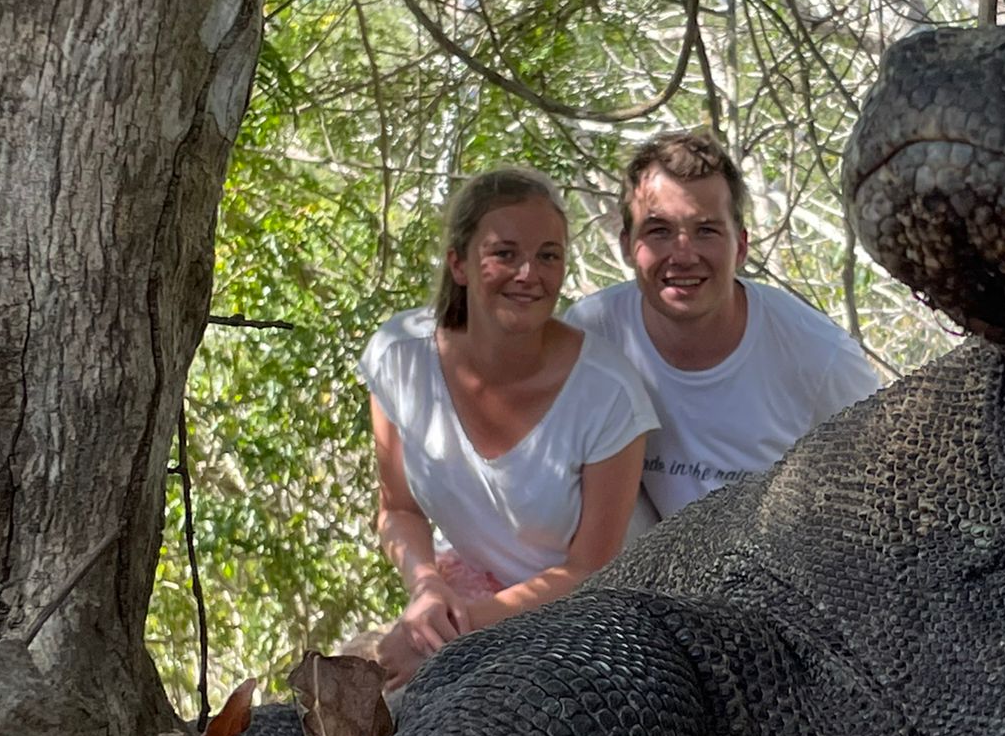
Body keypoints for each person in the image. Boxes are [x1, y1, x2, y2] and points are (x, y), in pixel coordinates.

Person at [355, 166, 659, 687]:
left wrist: (456, 631)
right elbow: (397, 508)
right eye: (504, 253)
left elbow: (591, 568)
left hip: (602, 618)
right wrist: (426, 588)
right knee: (345, 698)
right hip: (469, 592)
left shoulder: (609, 393)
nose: (528, 273)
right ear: (460, 264)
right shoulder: (400, 357)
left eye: (548, 255)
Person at [565, 130, 881, 520]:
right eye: (659, 231)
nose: (683, 255)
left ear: (741, 246)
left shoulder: (819, 356)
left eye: (706, 231)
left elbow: (884, 482)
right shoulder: (592, 333)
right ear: (628, 245)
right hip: (644, 561)